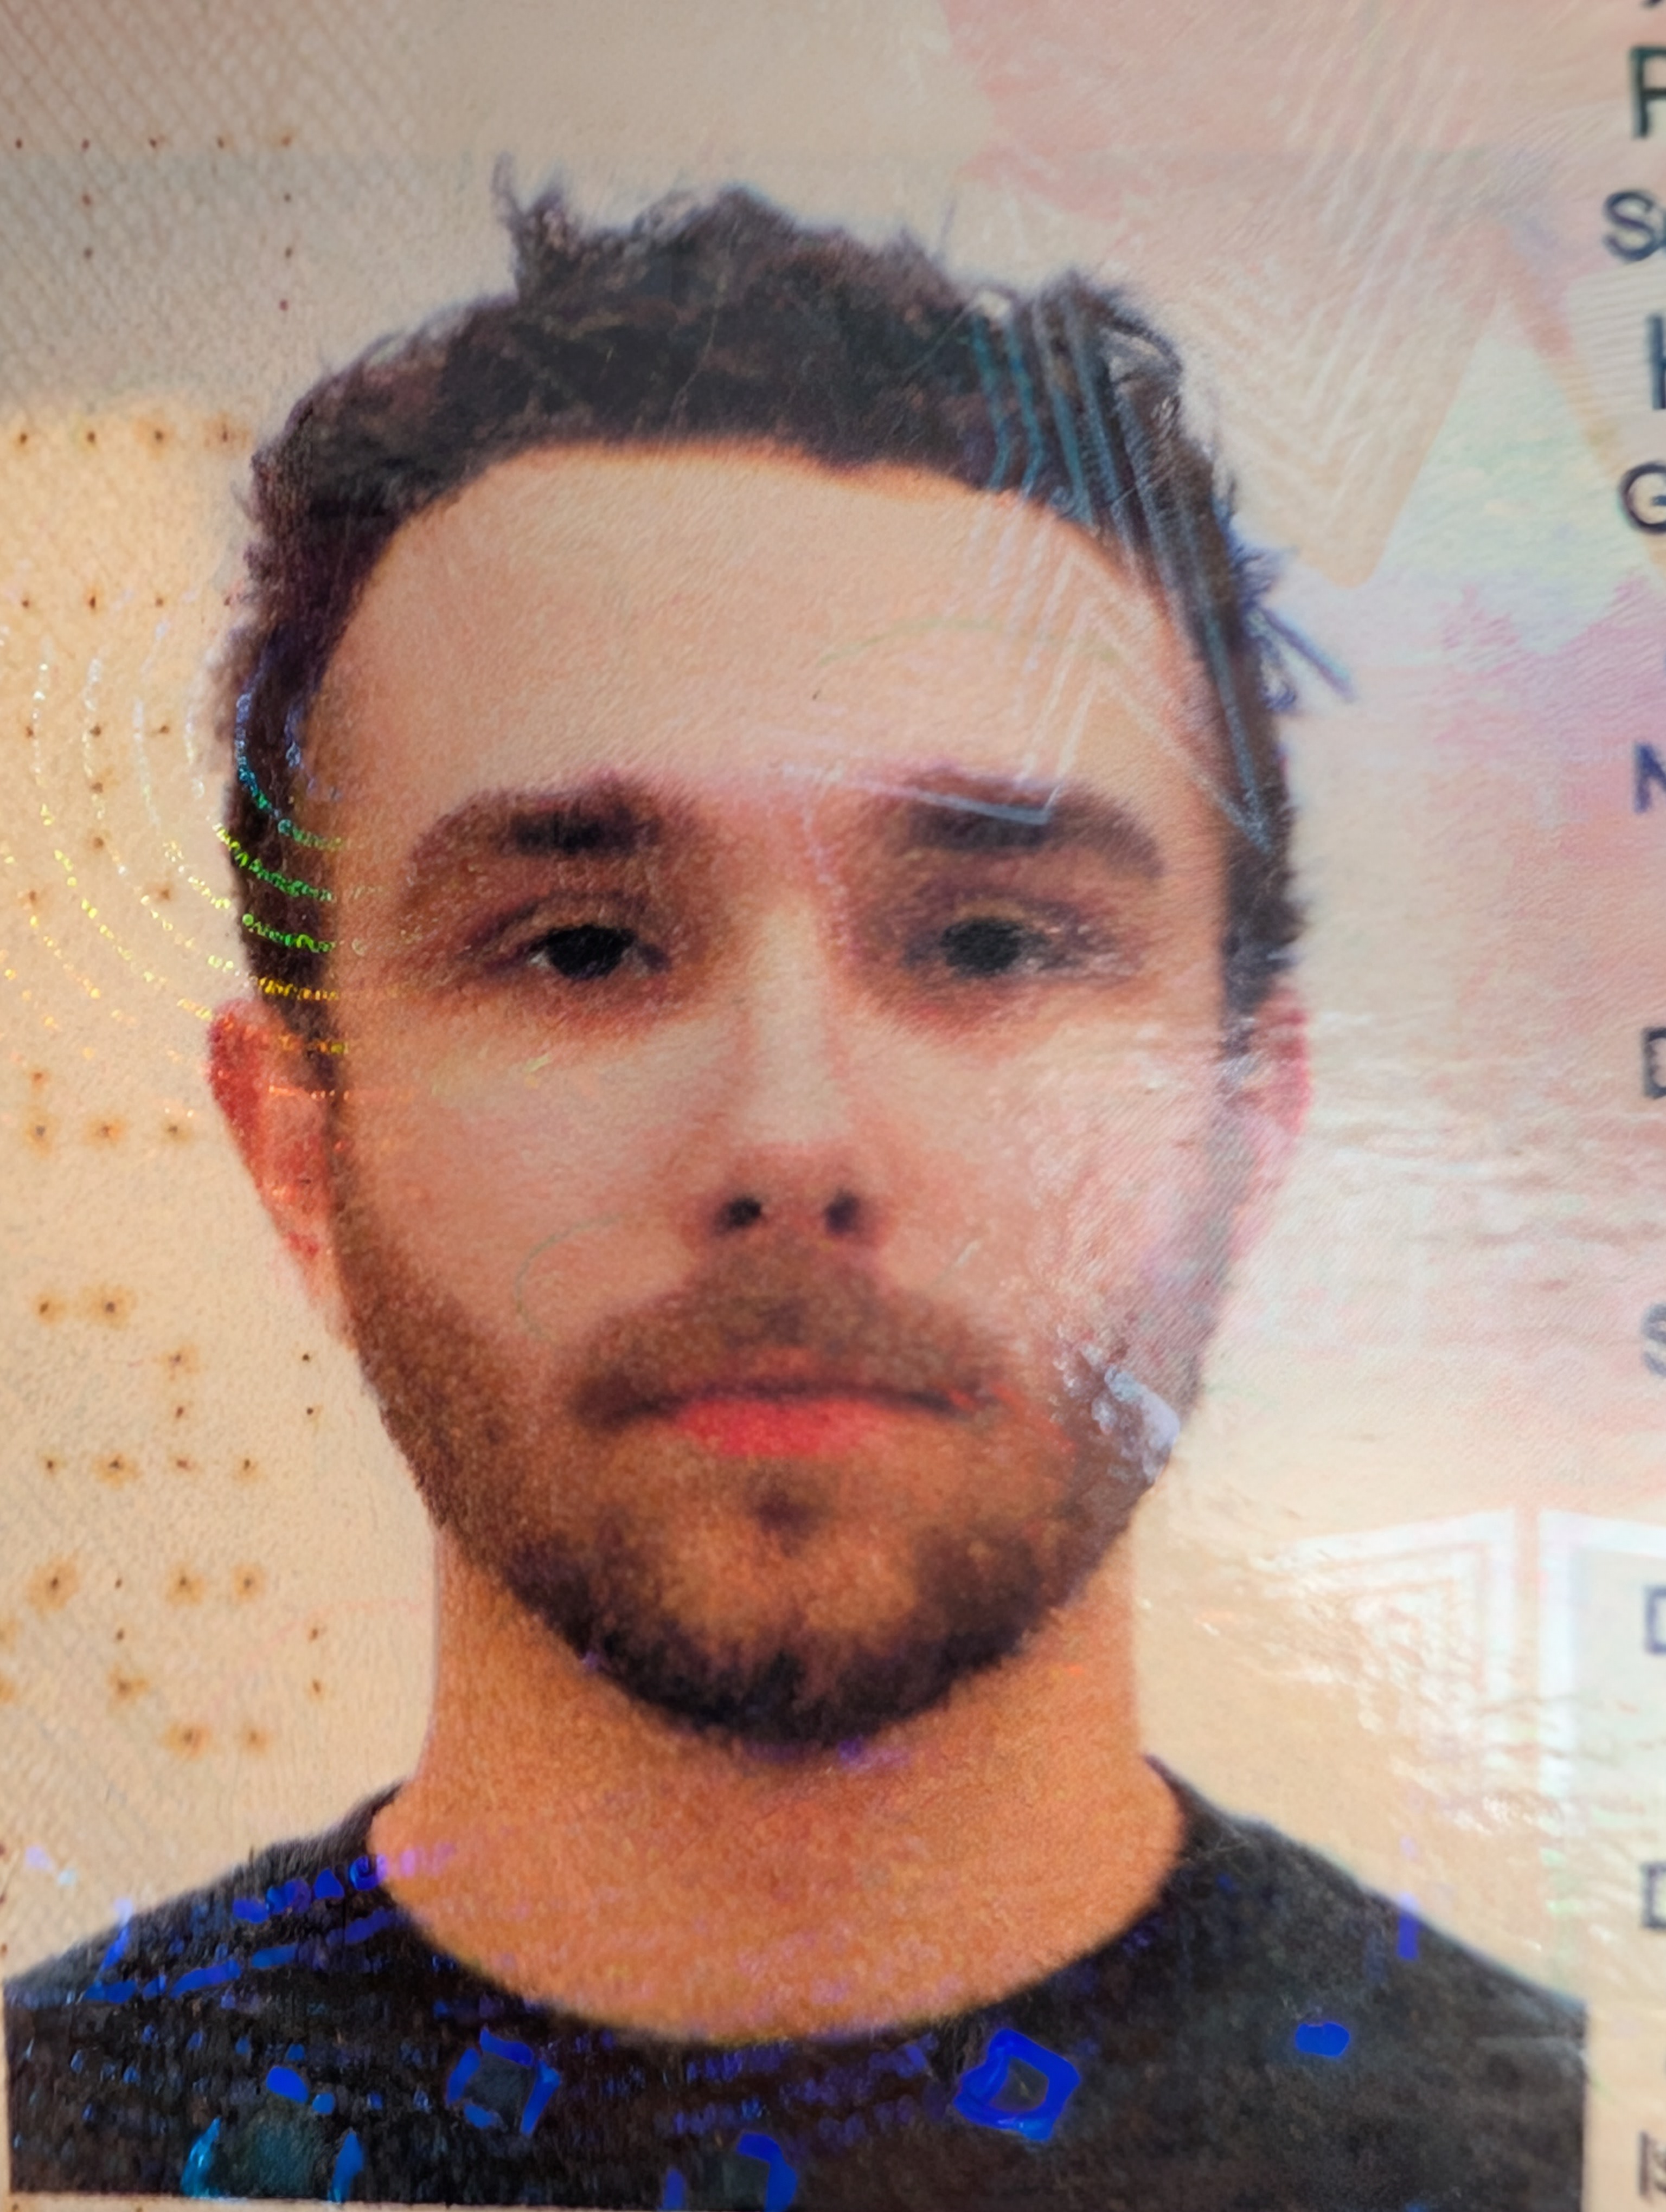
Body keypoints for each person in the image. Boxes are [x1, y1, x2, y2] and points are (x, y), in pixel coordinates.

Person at [5, 184, 1583, 2211]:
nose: (791, 1141)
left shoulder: (1570, 2147)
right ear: (301, 1152)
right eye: (581, 947)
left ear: (1246, 1133)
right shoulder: (45, 2146)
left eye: (993, 943)